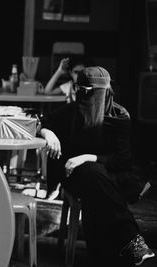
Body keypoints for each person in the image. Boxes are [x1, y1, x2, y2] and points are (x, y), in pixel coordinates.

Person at [39, 66, 155, 266]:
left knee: (94, 175)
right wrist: (46, 132)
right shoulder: (71, 112)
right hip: (72, 173)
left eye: (86, 92)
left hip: (107, 175)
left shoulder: (119, 116)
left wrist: (86, 157)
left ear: (102, 92)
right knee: (93, 175)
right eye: (78, 90)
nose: (80, 96)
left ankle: (106, 256)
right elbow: (41, 122)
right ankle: (132, 240)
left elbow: (121, 159)